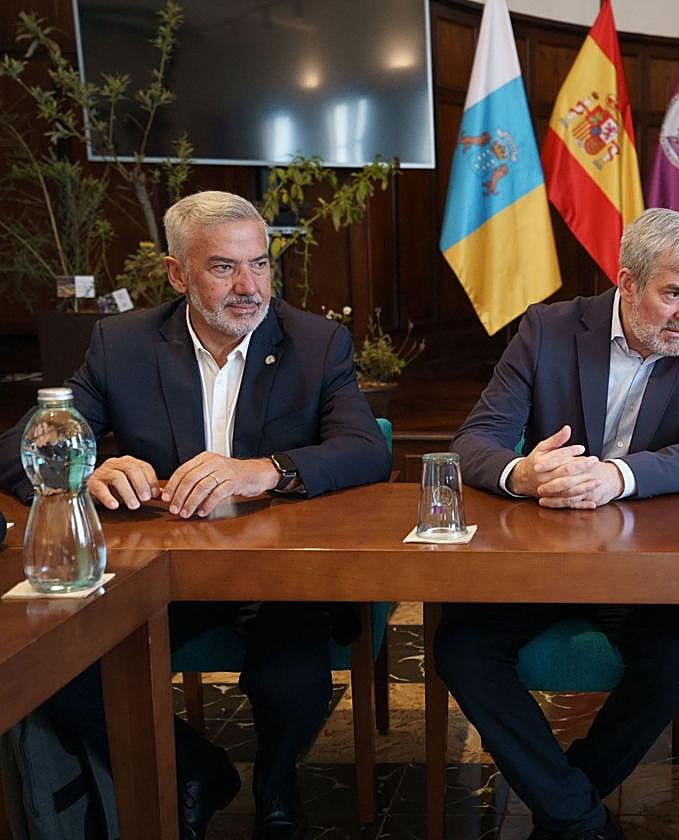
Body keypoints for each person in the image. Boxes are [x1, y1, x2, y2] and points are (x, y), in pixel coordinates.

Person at [0, 191, 392, 840]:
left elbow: (366, 449)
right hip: (168, 572)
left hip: (280, 574)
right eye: (224, 268)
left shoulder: (316, 342)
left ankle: (276, 791)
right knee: (59, 666)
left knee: (291, 681)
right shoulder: (121, 344)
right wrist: (83, 471)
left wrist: (264, 469)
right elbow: (23, 444)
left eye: (261, 265)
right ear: (177, 273)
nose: (250, 287)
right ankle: (198, 769)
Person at [437, 207, 679, 840]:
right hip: (545, 558)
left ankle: (565, 807)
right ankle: (578, 818)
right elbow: (475, 441)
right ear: (627, 283)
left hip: (644, 568)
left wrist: (616, 476)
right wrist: (523, 472)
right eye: (674, 294)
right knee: (461, 649)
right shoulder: (548, 328)